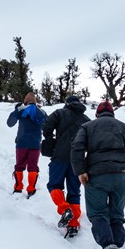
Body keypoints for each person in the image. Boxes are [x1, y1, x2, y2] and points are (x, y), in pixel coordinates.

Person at [71, 101, 125, 249]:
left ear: (97, 114)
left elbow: (76, 147)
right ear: (113, 114)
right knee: (116, 215)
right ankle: (116, 246)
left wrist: (80, 171)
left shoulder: (87, 126)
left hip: (96, 175)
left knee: (98, 214)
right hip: (120, 176)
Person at [41, 96, 91, 238]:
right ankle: (73, 224)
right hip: (78, 160)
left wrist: (51, 141)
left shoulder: (60, 113)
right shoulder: (86, 119)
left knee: (54, 185)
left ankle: (64, 209)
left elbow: (46, 126)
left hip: (60, 156)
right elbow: (91, 138)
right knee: (74, 192)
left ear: (67, 104)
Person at [6, 92, 46, 197]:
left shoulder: (21, 110)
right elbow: (48, 126)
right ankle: (31, 190)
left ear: (25, 101)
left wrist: (17, 110)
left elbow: (10, 123)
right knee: (33, 167)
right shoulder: (41, 112)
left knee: (19, 166)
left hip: (21, 143)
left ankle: (18, 188)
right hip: (36, 144)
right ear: (35, 102)